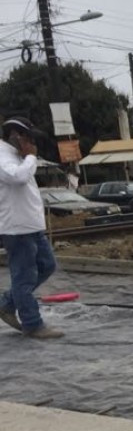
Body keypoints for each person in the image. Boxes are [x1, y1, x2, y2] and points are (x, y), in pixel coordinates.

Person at [0, 117, 63, 339]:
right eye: (28, 138)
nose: (32, 144)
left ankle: (7, 303)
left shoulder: (19, 157)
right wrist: (30, 157)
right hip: (17, 229)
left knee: (47, 265)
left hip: (31, 226)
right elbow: (17, 178)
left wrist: (28, 157)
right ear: (16, 136)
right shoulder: (3, 156)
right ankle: (32, 324)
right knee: (24, 278)